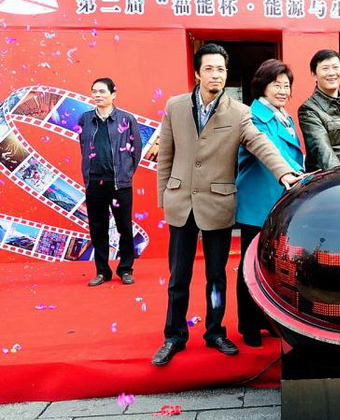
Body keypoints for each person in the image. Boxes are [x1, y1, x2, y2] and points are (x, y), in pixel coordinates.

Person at [153, 44, 301, 366]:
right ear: (197, 73)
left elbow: (261, 144)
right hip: (181, 203)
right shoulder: (175, 106)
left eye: (220, 69)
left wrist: (284, 173)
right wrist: (164, 196)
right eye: (209, 69)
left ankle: (215, 332)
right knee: (178, 277)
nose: (215, 75)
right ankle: (174, 335)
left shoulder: (239, 112)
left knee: (216, 276)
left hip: (217, 204)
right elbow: (165, 155)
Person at [235, 59, 304, 347]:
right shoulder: (252, 116)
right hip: (258, 202)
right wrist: (297, 174)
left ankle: (268, 319)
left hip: (279, 201)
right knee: (250, 265)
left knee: (272, 266)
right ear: (262, 85)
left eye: (287, 85)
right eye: (277, 85)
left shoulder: (284, 117)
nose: (283, 90)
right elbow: (271, 152)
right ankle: (248, 325)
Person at [78, 77, 142, 287]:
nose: (97, 95)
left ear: (113, 94)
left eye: (102, 91)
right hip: (95, 183)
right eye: (94, 91)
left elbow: (136, 150)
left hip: (119, 183)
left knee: (125, 228)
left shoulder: (126, 119)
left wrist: (125, 173)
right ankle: (102, 271)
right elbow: (83, 147)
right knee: (98, 229)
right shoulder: (85, 119)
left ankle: (126, 269)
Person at [298, 49, 340, 171]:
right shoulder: (308, 109)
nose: (331, 73)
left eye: (335, 67)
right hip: (326, 178)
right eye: (325, 68)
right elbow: (324, 153)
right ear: (314, 75)